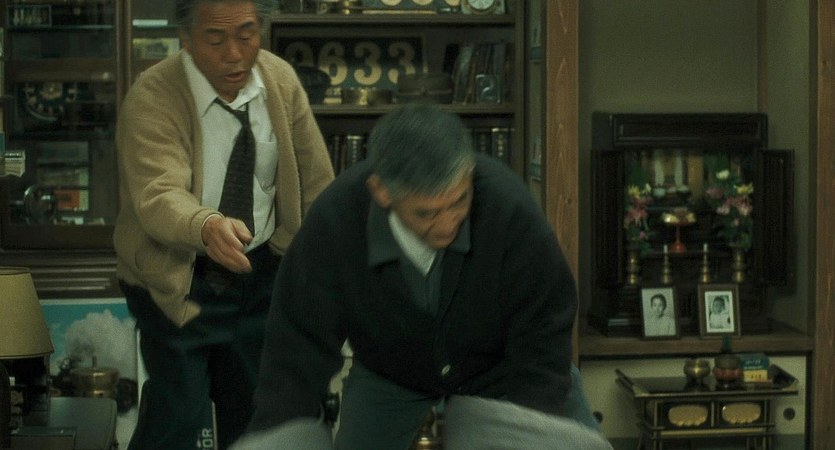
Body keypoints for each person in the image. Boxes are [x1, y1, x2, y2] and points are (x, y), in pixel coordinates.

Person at [231, 103, 611, 449]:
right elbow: (297, 345)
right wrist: (281, 434)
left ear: (469, 174)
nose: (447, 224)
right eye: (426, 213)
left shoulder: (508, 208)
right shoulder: (336, 221)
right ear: (382, 192)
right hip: (390, 372)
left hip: (506, 370)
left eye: (459, 202)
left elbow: (545, 324)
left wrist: (528, 428)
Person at [113, 0, 334, 448]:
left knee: (258, 418)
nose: (234, 53)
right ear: (186, 37)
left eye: (246, 35)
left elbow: (317, 183)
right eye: (215, 39)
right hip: (178, 278)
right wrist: (206, 226)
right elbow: (157, 193)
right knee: (179, 415)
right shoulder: (153, 95)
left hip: (260, 275)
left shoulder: (280, 82)